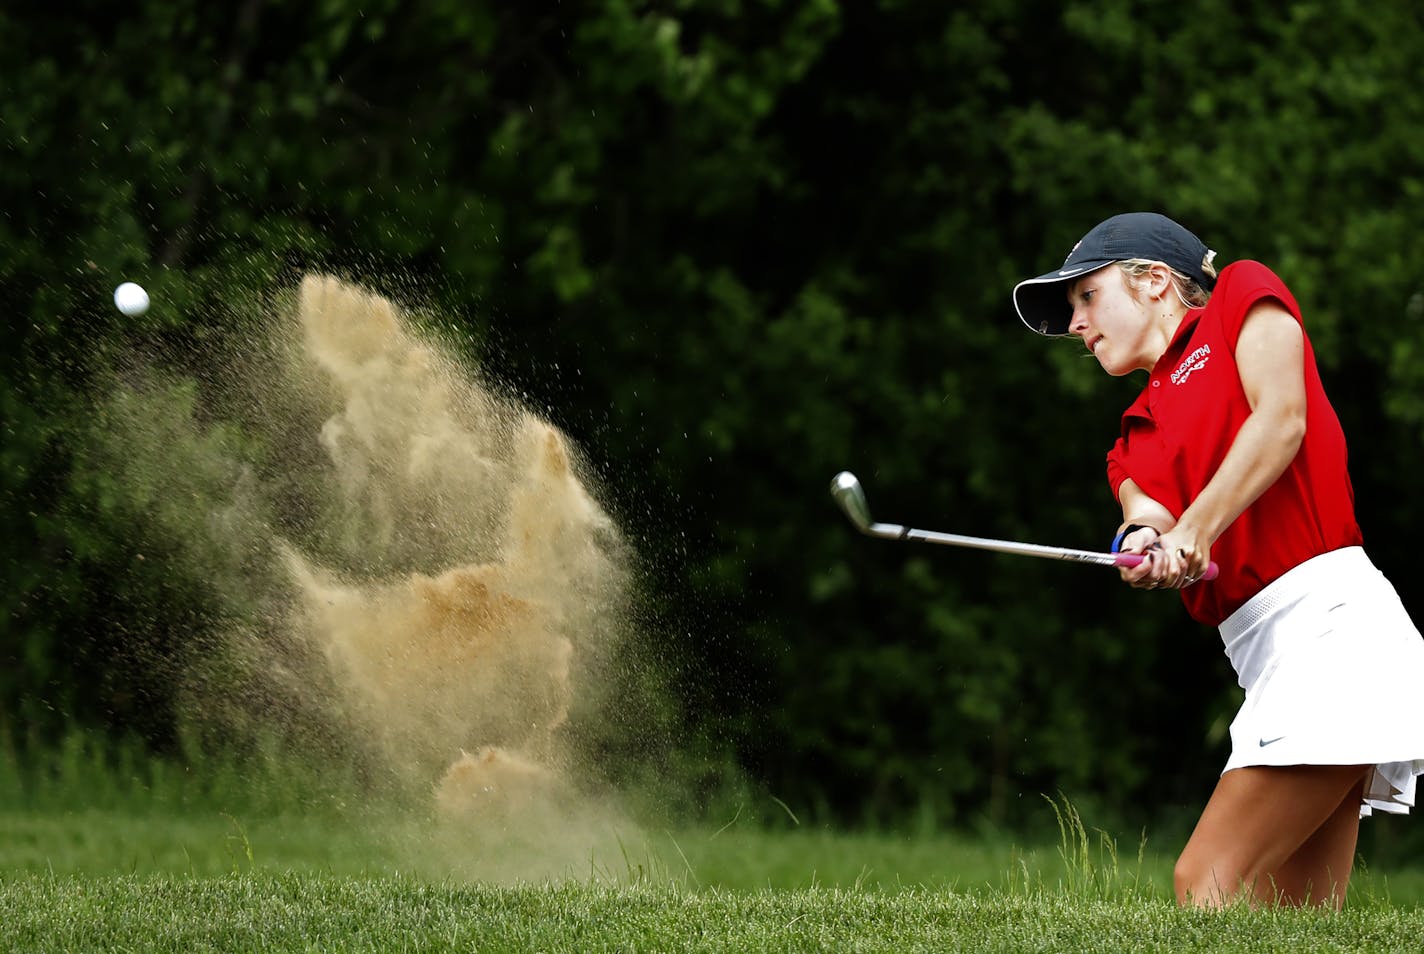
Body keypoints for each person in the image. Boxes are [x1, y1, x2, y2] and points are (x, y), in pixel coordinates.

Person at [1011, 212, 1424, 909]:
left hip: (1335, 630)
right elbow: (1147, 517)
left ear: (1153, 281)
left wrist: (1197, 530)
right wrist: (1141, 547)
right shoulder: (1132, 436)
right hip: (1267, 658)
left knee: (1205, 883)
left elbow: (1281, 419)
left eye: (1086, 296)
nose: (1077, 325)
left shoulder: (1241, 296)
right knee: (1288, 919)